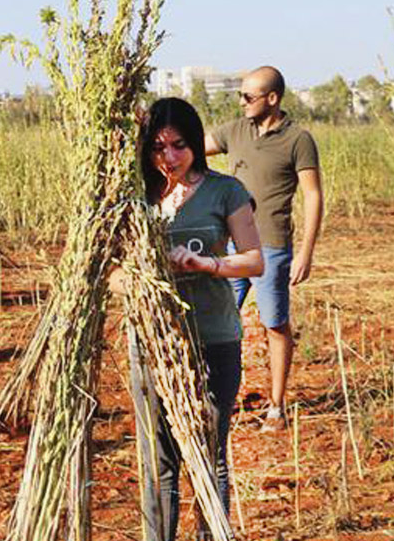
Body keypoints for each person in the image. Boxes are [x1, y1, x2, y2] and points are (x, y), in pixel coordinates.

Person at [129, 97, 264, 541]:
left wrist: (207, 264)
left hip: (212, 338)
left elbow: (254, 261)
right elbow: (110, 272)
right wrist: (139, 277)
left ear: (197, 144)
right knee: (159, 461)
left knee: (209, 455)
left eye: (179, 146)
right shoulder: (136, 197)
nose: (168, 157)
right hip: (152, 342)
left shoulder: (225, 190)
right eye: (158, 147)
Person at [205, 66, 324, 431]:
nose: (241, 102)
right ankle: (212, 398)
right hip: (231, 248)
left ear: (272, 99)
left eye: (248, 97)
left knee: (274, 323)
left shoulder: (298, 140)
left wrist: (305, 252)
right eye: (240, 95)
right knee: (215, 322)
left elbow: (313, 195)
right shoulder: (235, 131)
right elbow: (194, 148)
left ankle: (276, 406)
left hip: (272, 248)